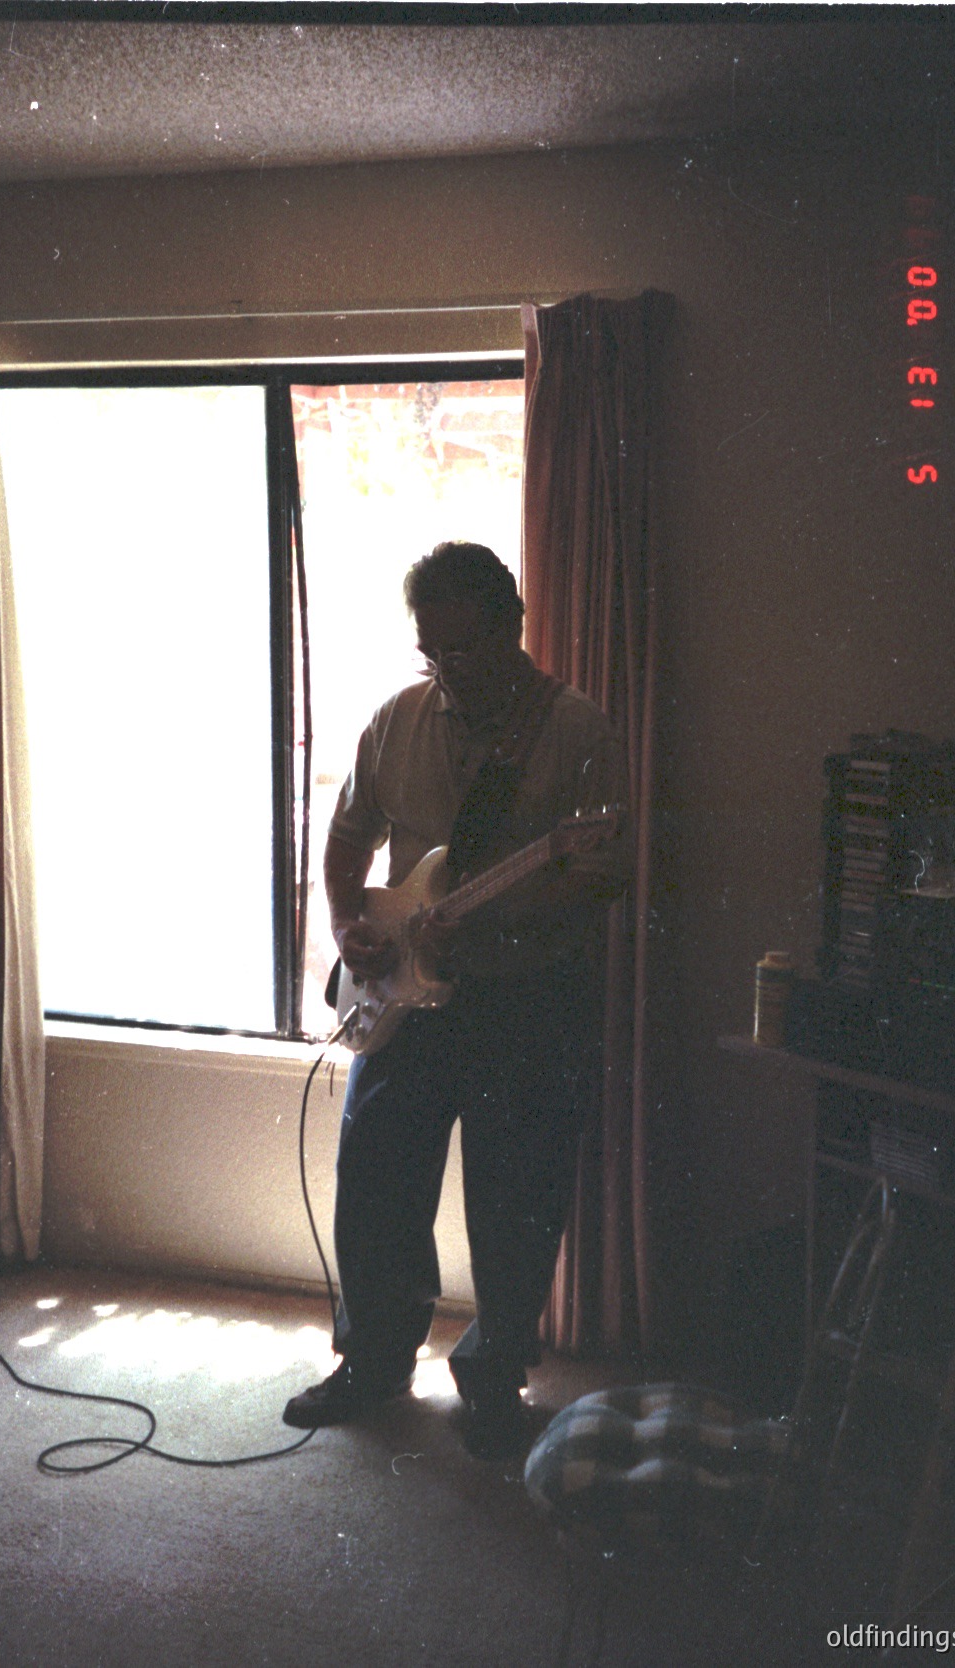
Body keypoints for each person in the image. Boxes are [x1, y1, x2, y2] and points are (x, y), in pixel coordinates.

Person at [283, 541, 628, 1458]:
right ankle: (374, 1360)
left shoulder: (577, 731)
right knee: (377, 1177)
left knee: (517, 1197)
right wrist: (350, 923)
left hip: (527, 998)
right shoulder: (400, 718)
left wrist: (495, 927)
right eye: (431, 654)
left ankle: (492, 1375)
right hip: (407, 988)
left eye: (465, 653)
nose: (447, 673)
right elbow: (350, 834)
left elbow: (600, 878)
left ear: (513, 625)